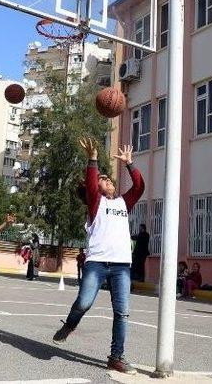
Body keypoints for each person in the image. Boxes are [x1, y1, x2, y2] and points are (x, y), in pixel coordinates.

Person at [53, 138, 144, 375]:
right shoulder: (96, 203)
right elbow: (92, 184)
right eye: (102, 179)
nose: (107, 180)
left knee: (122, 312)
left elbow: (139, 187)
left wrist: (130, 165)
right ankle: (70, 324)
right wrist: (92, 159)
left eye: (109, 179)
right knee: (84, 302)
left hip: (121, 265)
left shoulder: (124, 203)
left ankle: (116, 357)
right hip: (96, 263)